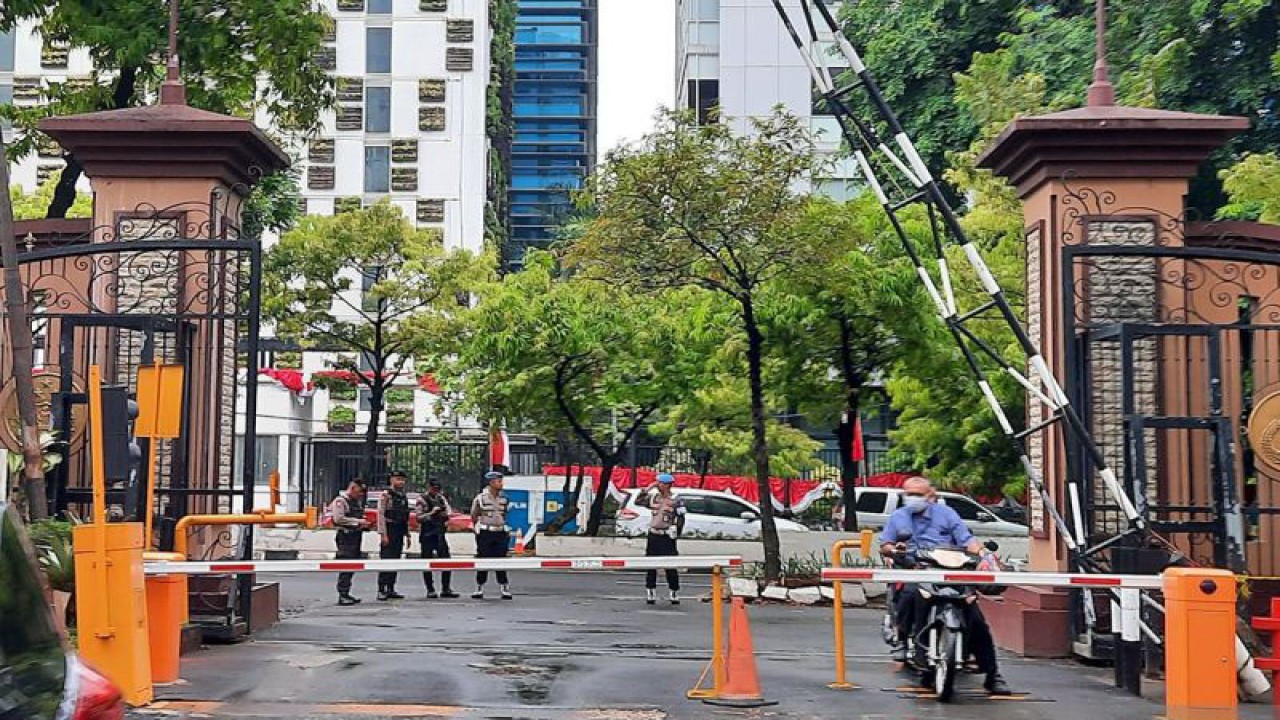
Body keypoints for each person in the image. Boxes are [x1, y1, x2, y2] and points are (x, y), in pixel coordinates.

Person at [878, 476, 1010, 695]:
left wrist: (984, 554)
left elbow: (966, 539)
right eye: (908, 494)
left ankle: (992, 675)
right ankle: (902, 641)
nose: (912, 498)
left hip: (950, 571)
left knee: (976, 619)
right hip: (916, 568)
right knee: (909, 596)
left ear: (931, 496)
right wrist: (894, 549)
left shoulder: (946, 514)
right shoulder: (899, 517)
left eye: (918, 494)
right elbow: (886, 544)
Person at [643, 473, 686, 605]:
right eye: (658, 483)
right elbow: (638, 501)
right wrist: (647, 489)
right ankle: (651, 592)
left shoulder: (676, 499)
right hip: (654, 535)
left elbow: (681, 517)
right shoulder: (654, 497)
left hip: (667, 536)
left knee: (670, 566)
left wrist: (676, 531)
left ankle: (674, 592)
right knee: (651, 565)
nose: (658, 485)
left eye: (661, 483)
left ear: (668, 485)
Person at [470, 471, 512, 600]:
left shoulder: (504, 498)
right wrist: (476, 529)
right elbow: (474, 514)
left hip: (500, 532)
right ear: (491, 482)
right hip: (486, 532)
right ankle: (479, 588)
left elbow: (505, 513)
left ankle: (504, 588)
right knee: (483, 560)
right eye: (499, 481)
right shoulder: (481, 498)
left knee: (501, 560)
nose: (501, 484)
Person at [330, 478, 371, 606]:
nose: (361, 495)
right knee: (346, 565)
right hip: (345, 537)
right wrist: (358, 522)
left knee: (352, 565)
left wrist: (363, 524)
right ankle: (342, 594)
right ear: (352, 488)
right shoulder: (340, 501)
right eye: (359, 491)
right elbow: (338, 518)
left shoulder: (355, 502)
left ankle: (346, 593)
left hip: (355, 536)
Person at [415, 478, 458, 598]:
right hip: (427, 534)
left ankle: (446, 588)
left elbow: (449, 512)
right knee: (427, 563)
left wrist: (445, 517)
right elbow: (419, 518)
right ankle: (430, 589)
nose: (436, 491)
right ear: (429, 487)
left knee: (446, 561)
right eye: (434, 488)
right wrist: (432, 513)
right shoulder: (422, 500)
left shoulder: (441, 498)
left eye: (438, 489)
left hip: (439, 533)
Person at [376, 470, 412, 601]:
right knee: (386, 560)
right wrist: (383, 534)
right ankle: (381, 589)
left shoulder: (402, 496)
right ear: (391, 480)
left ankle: (391, 588)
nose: (400, 482)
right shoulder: (386, 495)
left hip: (399, 530)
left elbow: (405, 516)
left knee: (395, 560)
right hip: (389, 529)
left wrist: (407, 534)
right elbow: (380, 515)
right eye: (398, 479)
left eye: (402, 479)